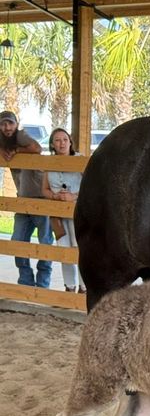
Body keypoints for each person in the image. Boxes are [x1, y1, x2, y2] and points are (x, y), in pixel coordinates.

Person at [0, 111, 49, 288]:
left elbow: (37, 148)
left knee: (45, 245)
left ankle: (43, 285)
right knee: (18, 242)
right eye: (3, 124)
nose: (7, 128)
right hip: (22, 199)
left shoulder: (21, 135)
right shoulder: (2, 139)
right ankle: (26, 284)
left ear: (16, 124)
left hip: (41, 198)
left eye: (10, 124)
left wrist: (16, 150)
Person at [41, 128, 84, 293]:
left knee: (80, 250)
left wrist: (73, 196)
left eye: (65, 139)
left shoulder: (79, 160)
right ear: (52, 144)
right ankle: (69, 286)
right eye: (58, 140)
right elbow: (44, 189)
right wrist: (55, 196)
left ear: (70, 142)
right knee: (64, 251)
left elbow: (90, 186)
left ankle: (83, 287)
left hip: (78, 213)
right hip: (58, 216)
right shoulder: (49, 163)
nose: (62, 143)